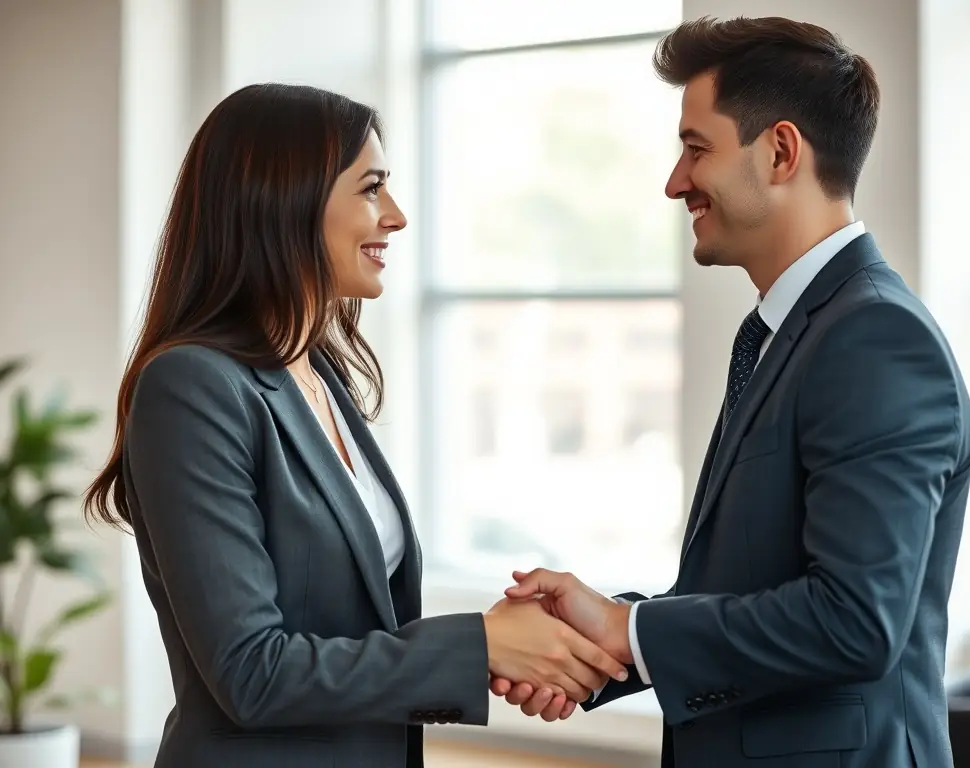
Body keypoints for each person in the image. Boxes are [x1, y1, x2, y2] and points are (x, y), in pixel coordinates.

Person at [83, 83, 627, 768]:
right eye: (372, 189)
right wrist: (479, 645)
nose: (395, 217)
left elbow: (350, 629)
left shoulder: (318, 376)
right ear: (286, 199)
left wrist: (510, 646)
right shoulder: (192, 387)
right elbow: (252, 672)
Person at [491, 16, 970, 768]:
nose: (674, 182)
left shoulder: (875, 339)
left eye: (695, 149)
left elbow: (855, 622)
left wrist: (629, 634)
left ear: (780, 151)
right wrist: (605, 635)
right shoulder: (790, 333)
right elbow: (751, 586)